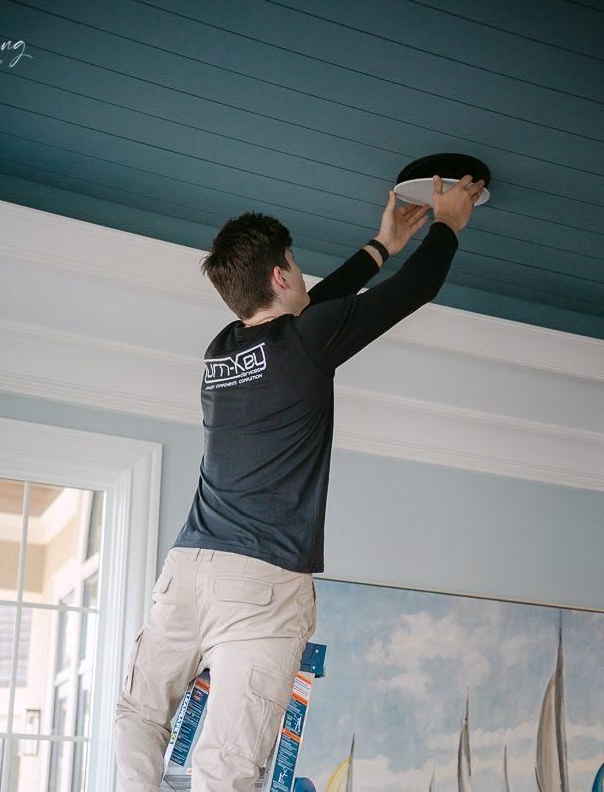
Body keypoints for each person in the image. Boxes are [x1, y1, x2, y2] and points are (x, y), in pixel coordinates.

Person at [114, 174, 484, 791]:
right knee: (227, 762)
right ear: (283, 275)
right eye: (296, 267)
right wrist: (448, 220)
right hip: (258, 581)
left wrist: (379, 247)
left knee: (142, 713)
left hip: (186, 569)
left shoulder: (220, 352)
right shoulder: (304, 341)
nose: (303, 277)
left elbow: (313, 313)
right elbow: (416, 288)